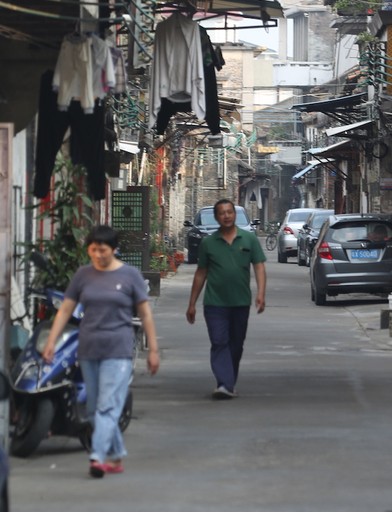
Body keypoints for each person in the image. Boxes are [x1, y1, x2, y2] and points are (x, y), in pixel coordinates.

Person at [42, 225, 159, 479]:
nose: (97, 254)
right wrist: (51, 342)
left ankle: (97, 456)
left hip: (118, 349)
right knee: (94, 409)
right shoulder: (83, 275)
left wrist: (154, 350)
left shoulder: (130, 276)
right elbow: (64, 310)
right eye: (93, 249)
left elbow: (145, 313)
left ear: (114, 250)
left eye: (102, 250)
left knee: (107, 407)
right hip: (88, 348)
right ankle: (116, 455)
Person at [186, 198, 266, 400]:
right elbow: (201, 273)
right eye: (222, 213)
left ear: (235, 214)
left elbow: (258, 266)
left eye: (229, 212)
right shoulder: (208, 243)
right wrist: (192, 304)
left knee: (236, 345)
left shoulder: (249, 239)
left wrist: (261, 293)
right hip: (214, 303)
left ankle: (228, 384)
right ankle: (224, 384)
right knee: (219, 341)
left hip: (240, 302)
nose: (226, 216)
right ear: (216, 217)